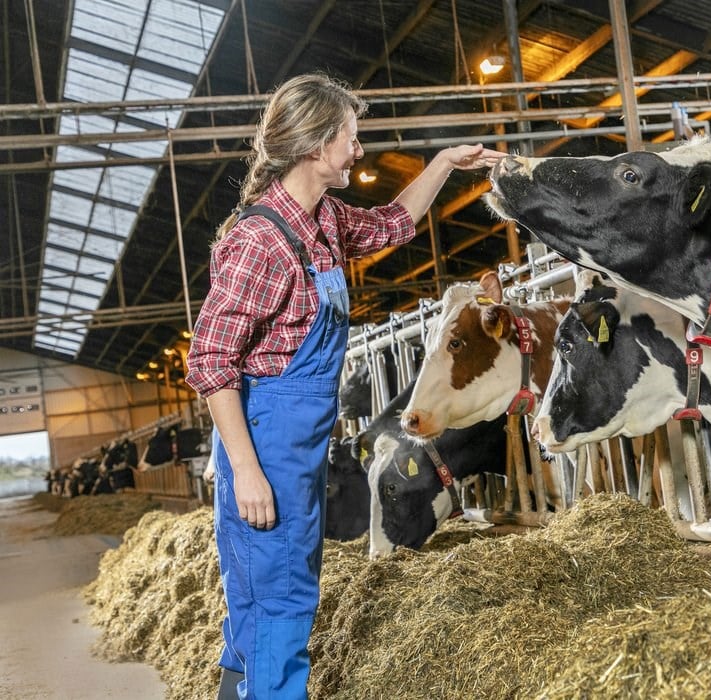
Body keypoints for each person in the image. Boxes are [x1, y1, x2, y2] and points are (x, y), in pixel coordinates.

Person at [185, 72, 504, 700]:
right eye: (350, 139)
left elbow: (392, 224)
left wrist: (443, 163)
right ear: (314, 146)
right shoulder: (260, 242)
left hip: (300, 445)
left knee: (265, 593)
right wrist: (245, 472)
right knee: (279, 599)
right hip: (266, 444)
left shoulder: (322, 220)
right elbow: (211, 361)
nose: (358, 151)